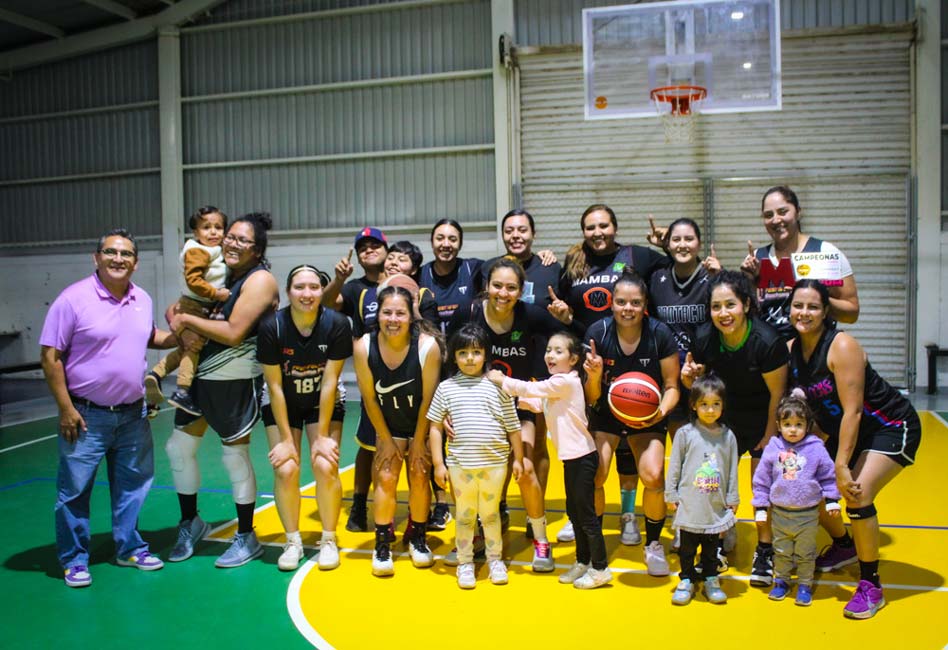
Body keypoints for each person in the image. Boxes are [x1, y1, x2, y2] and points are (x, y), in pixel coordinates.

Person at [41, 228, 178, 587]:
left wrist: (180, 333)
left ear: (135, 262)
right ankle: (74, 559)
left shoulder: (142, 298)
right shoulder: (73, 300)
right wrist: (66, 408)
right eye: (111, 252)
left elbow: (149, 336)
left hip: (133, 413)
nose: (119, 259)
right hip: (86, 415)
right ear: (96, 257)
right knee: (74, 490)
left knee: (133, 485)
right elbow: (50, 357)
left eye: (127, 254)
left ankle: (129, 547)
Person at [787, 279, 921, 619]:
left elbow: (853, 410)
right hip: (850, 431)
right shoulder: (793, 350)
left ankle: (871, 584)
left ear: (826, 311)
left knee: (856, 495)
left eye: (813, 307)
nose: (804, 313)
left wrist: (842, 465)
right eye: (798, 305)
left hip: (890, 426)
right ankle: (844, 545)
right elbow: (818, 409)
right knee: (802, 483)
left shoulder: (841, 345)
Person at [164, 212, 280, 568]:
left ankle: (247, 535)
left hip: (233, 379)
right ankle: (191, 522)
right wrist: (179, 315)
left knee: (234, 458)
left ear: (257, 250)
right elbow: (180, 306)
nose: (230, 242)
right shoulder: (219, 273)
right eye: (229, 236)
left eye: (242, 240)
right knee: (177, 448)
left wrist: (186, 320)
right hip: (201, 378)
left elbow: (232, 331)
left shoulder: (259, 280)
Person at [447, 258, 571, 571]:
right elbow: (452, 359)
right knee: (476, 473)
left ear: (521, 290)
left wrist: (547, 377)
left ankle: (541, 539)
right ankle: (476, 535)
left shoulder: (531, 315)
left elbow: (568, 338)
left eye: (511, 287)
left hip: (519, 407)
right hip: (478, 407)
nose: (503, 293)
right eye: (497, 285)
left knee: (525, 467)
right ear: (486, 286)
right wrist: (449, 405)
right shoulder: (469, 313)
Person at [681, 270, 788, 586]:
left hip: (762, 414)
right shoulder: (704, 338)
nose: (723, 313)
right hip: (724, 417)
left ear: (745, 304)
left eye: (731, 305)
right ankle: (714, 543)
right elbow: (699, 386)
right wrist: (690, 379)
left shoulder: (767, 342)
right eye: (716, 307)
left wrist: (769, 436)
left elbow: (778, 395)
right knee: (711, 480)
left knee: (761, 487)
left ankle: (765, 550)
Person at [490, 331, 611, 590]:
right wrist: (501, 395)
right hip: (571, 459)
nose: (550, 355)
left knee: (587, 517)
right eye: (548, 350)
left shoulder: (567, 381)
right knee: (576, 514)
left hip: (583, 458)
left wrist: (502, 379)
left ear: (574, 358)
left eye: (558, 351)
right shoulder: (557, 385)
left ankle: (600, 568)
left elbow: (531, 388)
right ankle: (582, 561)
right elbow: (532, 400)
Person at [583, 269, 680, 577]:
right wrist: (596, 376)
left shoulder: (660, 333)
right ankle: (594, 545)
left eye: (635, 303)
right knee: (595, 475)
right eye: (621, 302)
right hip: (605, 413)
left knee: (653, 476)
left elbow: (673, 386)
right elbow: (590, 395)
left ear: (645, 305)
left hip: (647, 415)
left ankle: (653, 545)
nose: (628, 308)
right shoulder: (597, 333)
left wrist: (659, 414)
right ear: (611, 304)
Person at [256, 265, 352, 571]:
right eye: (300, 287)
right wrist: (286, 439)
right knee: (286, 468)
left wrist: (322, 435)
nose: (307, 294)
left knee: (325, 465)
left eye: (314, 287)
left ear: (322, 291)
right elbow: (273, 385)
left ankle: (328, 538)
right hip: (283, 400)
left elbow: (329, 382)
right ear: (288, 292)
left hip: (321, 401)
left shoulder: (337, 324)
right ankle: (293, 540)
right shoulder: (272, 327)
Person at [352, 286, 442, 576]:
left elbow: (429, 399)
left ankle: (418, 538)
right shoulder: (364, 346)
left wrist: (419, 440)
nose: (393, 318)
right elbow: (368, 399)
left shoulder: (428, 346)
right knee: (387, 476)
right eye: (386, 312)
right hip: (387, 424)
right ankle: (381, 544)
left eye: (400, 313)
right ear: (377, 314)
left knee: (419, 474)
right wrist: (386, 441)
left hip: (420, 422)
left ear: (410, 316)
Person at [646, 217, 723, 551]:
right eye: (675, 239)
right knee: (681, 456)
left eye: (688, 239)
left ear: (699, 243)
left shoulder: (711, 278)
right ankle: (684, 522)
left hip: (707, 379)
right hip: (669, 378)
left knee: (709, 457)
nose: (681, 244)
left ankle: (718, 523)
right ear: (667, 244)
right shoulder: (657, 278)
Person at [429, 324, 523, 589]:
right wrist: (438, 464)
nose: (470, 358)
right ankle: (465, 563)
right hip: (460, 466)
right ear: (454, 356)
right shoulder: (446, 388)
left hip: (495, 465)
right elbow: (435, 427)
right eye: (463, 353)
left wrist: (519, 458)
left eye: (476, 352)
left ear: (486, 355)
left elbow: (513, 426)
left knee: (491, 515)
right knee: (465, 516)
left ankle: (495, 560)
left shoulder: (498, 386)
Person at [322, 227, 387, 534]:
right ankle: (359, 505)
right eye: (363, 248)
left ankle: (429, 506)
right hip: (372, 378)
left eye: (375, 245)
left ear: (387, 250)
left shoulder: (403, 281)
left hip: (409, 374)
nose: (369, 250)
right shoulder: (354, 289)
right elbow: (324, 304)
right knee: (369, 444)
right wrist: (338, 279)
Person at [752, 395, 841, 606]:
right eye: (787, 424)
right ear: (778, 425)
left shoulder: (816, 448)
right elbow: (762, 479)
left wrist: (831, 500)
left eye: (798, 424)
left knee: (805, 553)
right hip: (781, 512)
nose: (793, 429)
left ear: (808, 426)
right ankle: (781, 581)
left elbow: (828, 475)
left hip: (808, 514)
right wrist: (761, 505)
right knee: (781, 551)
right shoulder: (773, 448)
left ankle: (804, 584)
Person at [741, 185, 859, 339]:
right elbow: (746, 316)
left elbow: (851, 314)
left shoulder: (825, 252)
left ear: (798, 212)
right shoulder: (756, 259)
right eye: (768, 215)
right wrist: (750, 282)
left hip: (812, 355)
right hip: (770, 355)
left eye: (783, 212)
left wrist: (816, 297)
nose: (776, 220)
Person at [145, 206, 231, 416]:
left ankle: (156, 374)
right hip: (195, 305)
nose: (213, 232)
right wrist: (215, 294)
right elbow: (193, 280)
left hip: (197, 304)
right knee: (192, 348)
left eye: (218, 227)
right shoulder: (197, 250)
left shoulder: (215, 250)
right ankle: (182, 391)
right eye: (206, 227)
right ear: (195, 232)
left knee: (185, 349)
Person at [665, 375, 739, 605]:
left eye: (716, 404)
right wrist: (671, 493)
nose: (710, 410)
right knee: (686, 547)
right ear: (694, 405)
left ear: (723, 405)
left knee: (710, 547)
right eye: (704, 404)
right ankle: (686, 578)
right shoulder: (685, 434)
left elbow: (732, 469)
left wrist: (732, 496)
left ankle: (710, 578)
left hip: (714, 505)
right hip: (690, 504)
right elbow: (675, 465)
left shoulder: (728, 436)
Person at [560, 204, 668, 334]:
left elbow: (680, 266)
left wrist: (666, 245)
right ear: (584, 232)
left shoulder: (636, 255)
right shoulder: (573, 260)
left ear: (616, 229)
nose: (597, 233)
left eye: (604, 226)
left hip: (629, 346)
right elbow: (560, 299)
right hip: (585, 346)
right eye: (590, 228)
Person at [483, 209, 561, 307]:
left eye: (522, 230)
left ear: (533, 234)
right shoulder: (489, 267)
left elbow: (567, 309)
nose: (515, 235)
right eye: (508, 231)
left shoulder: (550, 268)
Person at [419, 219, 483, 331]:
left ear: (460, 244)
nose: (446, 244)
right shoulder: (420, 275)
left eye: (453, 239)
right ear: (432, 242)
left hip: (466, 346)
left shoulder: (472, 268)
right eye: (440, 238)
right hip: (433, 346)